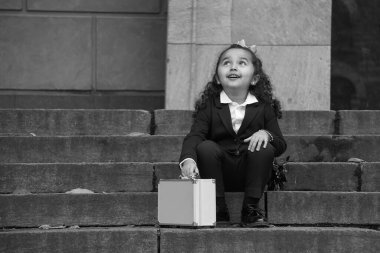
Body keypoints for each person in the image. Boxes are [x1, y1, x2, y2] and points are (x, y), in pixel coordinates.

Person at [179, 40, 287, 227]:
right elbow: (195, 136)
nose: (233, 67)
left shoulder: (263, 108)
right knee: (205, 147)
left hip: (252, 173)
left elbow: (280, 145)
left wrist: (266, 134)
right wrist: (188, 160)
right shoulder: (210, 106)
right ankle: (218, 208)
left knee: (263, 148)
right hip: (219, 173)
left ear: (254, 79)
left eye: (242, 63)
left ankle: (251, 209)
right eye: (226, 63)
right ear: (218, 78)